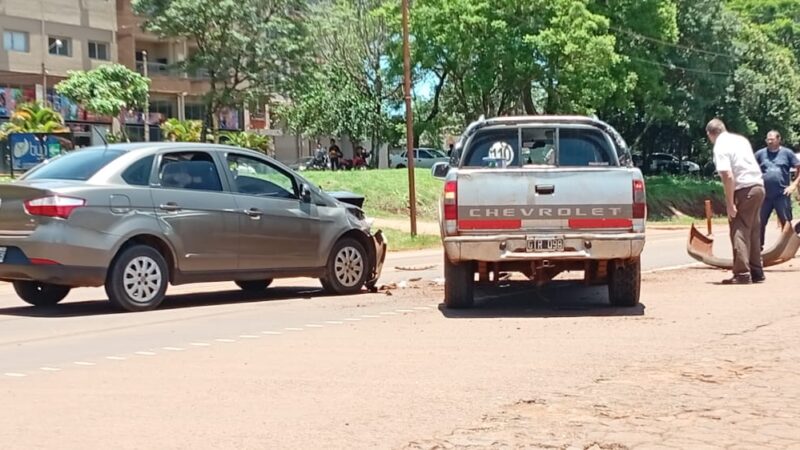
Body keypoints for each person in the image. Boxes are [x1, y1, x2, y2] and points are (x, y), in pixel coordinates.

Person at [707, 118, 766, 284]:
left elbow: (728, 175)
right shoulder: (740, 140)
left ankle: (742, 273)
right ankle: (756, 271)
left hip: (744, 189)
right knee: (753, 230)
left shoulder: (720, 145)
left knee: (738, 229)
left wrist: (730, 203)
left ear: (710, 134)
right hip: (758, 187)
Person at [755, 130, 800, 248]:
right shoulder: (760, 154)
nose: (769, 141)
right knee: (759, 221)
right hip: (765, 195)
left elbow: (798, 167)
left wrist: (794, 185)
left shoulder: (787, 153)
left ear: (779, 139)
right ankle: (758, 248)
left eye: (772, 139)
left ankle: (787, 247)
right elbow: (752, 168)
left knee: (786, 222)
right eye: (768, 139)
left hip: (782, 194)